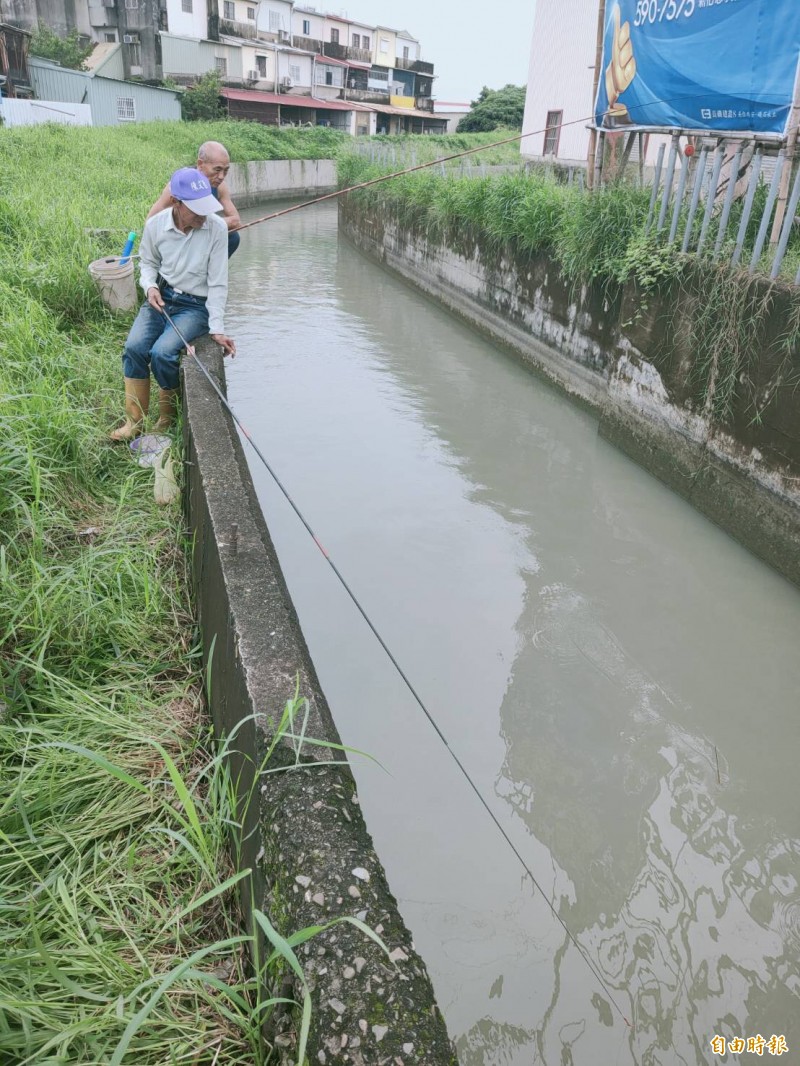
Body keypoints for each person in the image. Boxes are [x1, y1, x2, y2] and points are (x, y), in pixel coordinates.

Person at [110, 167, 236, 442]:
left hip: (195, 305)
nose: (204, 215)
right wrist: (151, 286)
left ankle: (166, 417)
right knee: (134, 348)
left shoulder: (216, 229)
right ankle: (134, 421)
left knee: (162, 353)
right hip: (162, 296)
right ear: (177, 203)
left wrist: (216, 328)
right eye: (196, 209)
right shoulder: (155, 226)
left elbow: (218, 284)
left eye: (206, 208)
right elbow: (148, 264)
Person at [147, 141, 242, 258]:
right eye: (217, 170)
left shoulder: (220, 187)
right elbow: (151, 222)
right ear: (200, 164)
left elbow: (236, 221)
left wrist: (206, 224)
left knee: (233, 237)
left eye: (226, 170)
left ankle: (210, 270)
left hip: (201, 233)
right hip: (179, 238)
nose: (221, 176)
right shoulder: (179, 185)